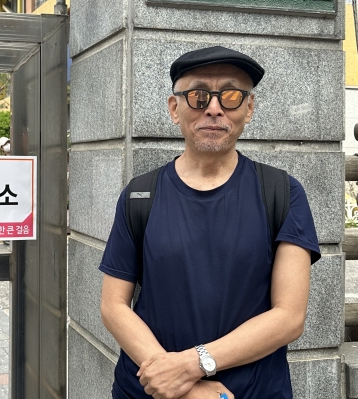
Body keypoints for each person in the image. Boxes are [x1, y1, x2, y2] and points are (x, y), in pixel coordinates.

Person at [99, 46, 321, 399]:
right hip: (148, 391)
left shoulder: (282, 192)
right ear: (175, 108)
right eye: (198, 95)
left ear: (248, 109)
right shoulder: (140, 194)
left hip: (250, 391)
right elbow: (113, 306)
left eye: (231, 96)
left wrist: (191, 366)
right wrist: (179, 385)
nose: (214, 108)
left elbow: (289, 316)